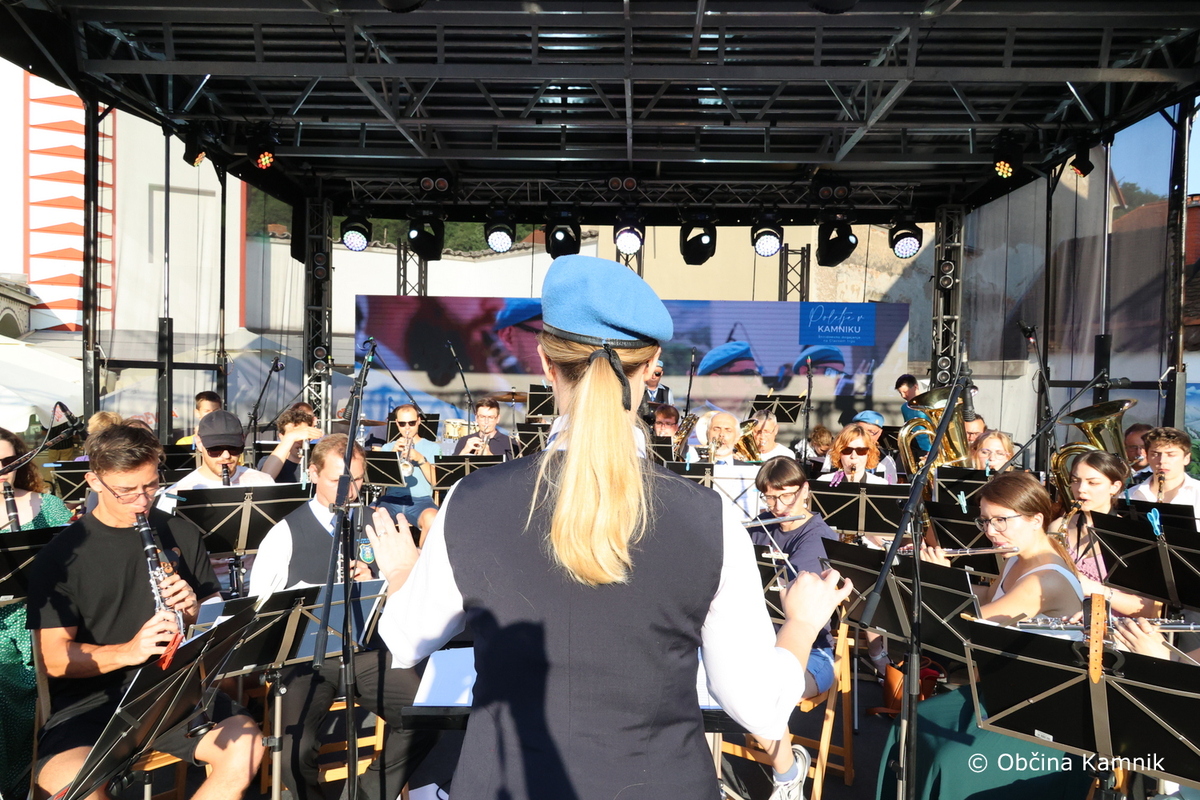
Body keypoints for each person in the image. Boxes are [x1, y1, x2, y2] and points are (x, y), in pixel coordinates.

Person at [365, 254, 853, 800]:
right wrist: (801, 624)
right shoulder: (711, 520)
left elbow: (405, 641)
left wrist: (404, 572)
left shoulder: (470, 502)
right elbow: (758, 707)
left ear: (546, 363)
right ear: (653, 368)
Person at [26, 424, 262, 800]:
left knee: (247, 747)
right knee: (70, 786)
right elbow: (54, 659)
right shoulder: (60, 558)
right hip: (93, 702)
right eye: (126, 490)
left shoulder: (180, 533)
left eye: (151, 486)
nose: (142, 501)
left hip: (172, 690)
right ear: (94, 481)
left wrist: (194, 612)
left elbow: (216, 627)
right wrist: (129, 651)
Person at [249, 434, 436, 800]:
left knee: (429, 714)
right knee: (294, 748)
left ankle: (368, 793)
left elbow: (411, 593)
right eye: (338, 480)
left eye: (358, 480)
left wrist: (379, 581)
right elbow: (260, 612)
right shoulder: (284, 534)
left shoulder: (376, 521)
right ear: (313, 473)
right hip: (305, 658)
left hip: (365, 649)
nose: (349, 492)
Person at [0, 428, 73, 798]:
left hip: (43, 617)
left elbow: (75, 569)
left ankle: (43, 778)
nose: (2, 472)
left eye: (8, 463)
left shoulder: (50, 507)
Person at [922, 471, 1084, 624]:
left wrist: (942, 578)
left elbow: (966, 623)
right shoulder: (1016, 557)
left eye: (1000, 520)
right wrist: (922, 578)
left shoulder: (1045, 581)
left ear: (1036, 520)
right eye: (985, 521)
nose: (990, 531)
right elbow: (989, 597)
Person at [749, 457, 839, 696]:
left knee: (770, 692)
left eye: (786, 495)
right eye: (770, 497)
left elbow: (795, 595)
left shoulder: (818, 536)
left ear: (805, 490)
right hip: (758, 640)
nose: (778, 507)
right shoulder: (761, 525)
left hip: (811, 650)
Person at [1048, 452, 1160, 618]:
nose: (1080, 489)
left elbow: (1150, 610)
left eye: (1093, 482)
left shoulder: (1132, 536)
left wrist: (1095, 589)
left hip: (1115, 628)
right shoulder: (1058, 527)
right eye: (1075, 480)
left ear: (1114, 487)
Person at [378, 404, 440, 540]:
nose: (407, 428)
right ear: (396, 423)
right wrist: (393, 454)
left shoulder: (432, 447)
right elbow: (381, 480)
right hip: (391, 500)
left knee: (433, 519)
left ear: (419, 421)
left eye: (411, 423)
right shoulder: (388, 447)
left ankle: (423, 553)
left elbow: (436, 482)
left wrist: (421, 459)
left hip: (421, 501)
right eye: (402, 423)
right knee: (371, 516)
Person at [1129, 427, 1200, 522]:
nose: (1162, 461)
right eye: (1155, 454)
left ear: (1186, 458)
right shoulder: (1128, 496)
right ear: (1147, 457)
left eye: (1171, 455)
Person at [255, 407, 323, 483]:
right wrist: (290, 437)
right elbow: (264, 480)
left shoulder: (319, 461)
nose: (299, 440)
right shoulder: (267, 460)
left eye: (302, 434)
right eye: (296, 435)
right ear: (282, 437)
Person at [818, 424, 888, 487]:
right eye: (847, 450)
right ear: (839, 453)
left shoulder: (880, 484)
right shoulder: (823, 482)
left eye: (861, 450)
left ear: (869, 453)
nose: (853, 456)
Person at [895, 373, 931, 454]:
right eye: (900, 393)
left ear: (915, 387)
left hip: (933, 449)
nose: (903, 396)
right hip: (914, 449)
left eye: (905, 392)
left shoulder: (930, 404)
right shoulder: (904, 407)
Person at [636, 359, 674, 425]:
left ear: (661, 373)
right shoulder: (638, 389)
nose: (653, 377)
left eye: (657, 374)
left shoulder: (667, 392)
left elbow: (671, 414)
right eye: (651, 373)